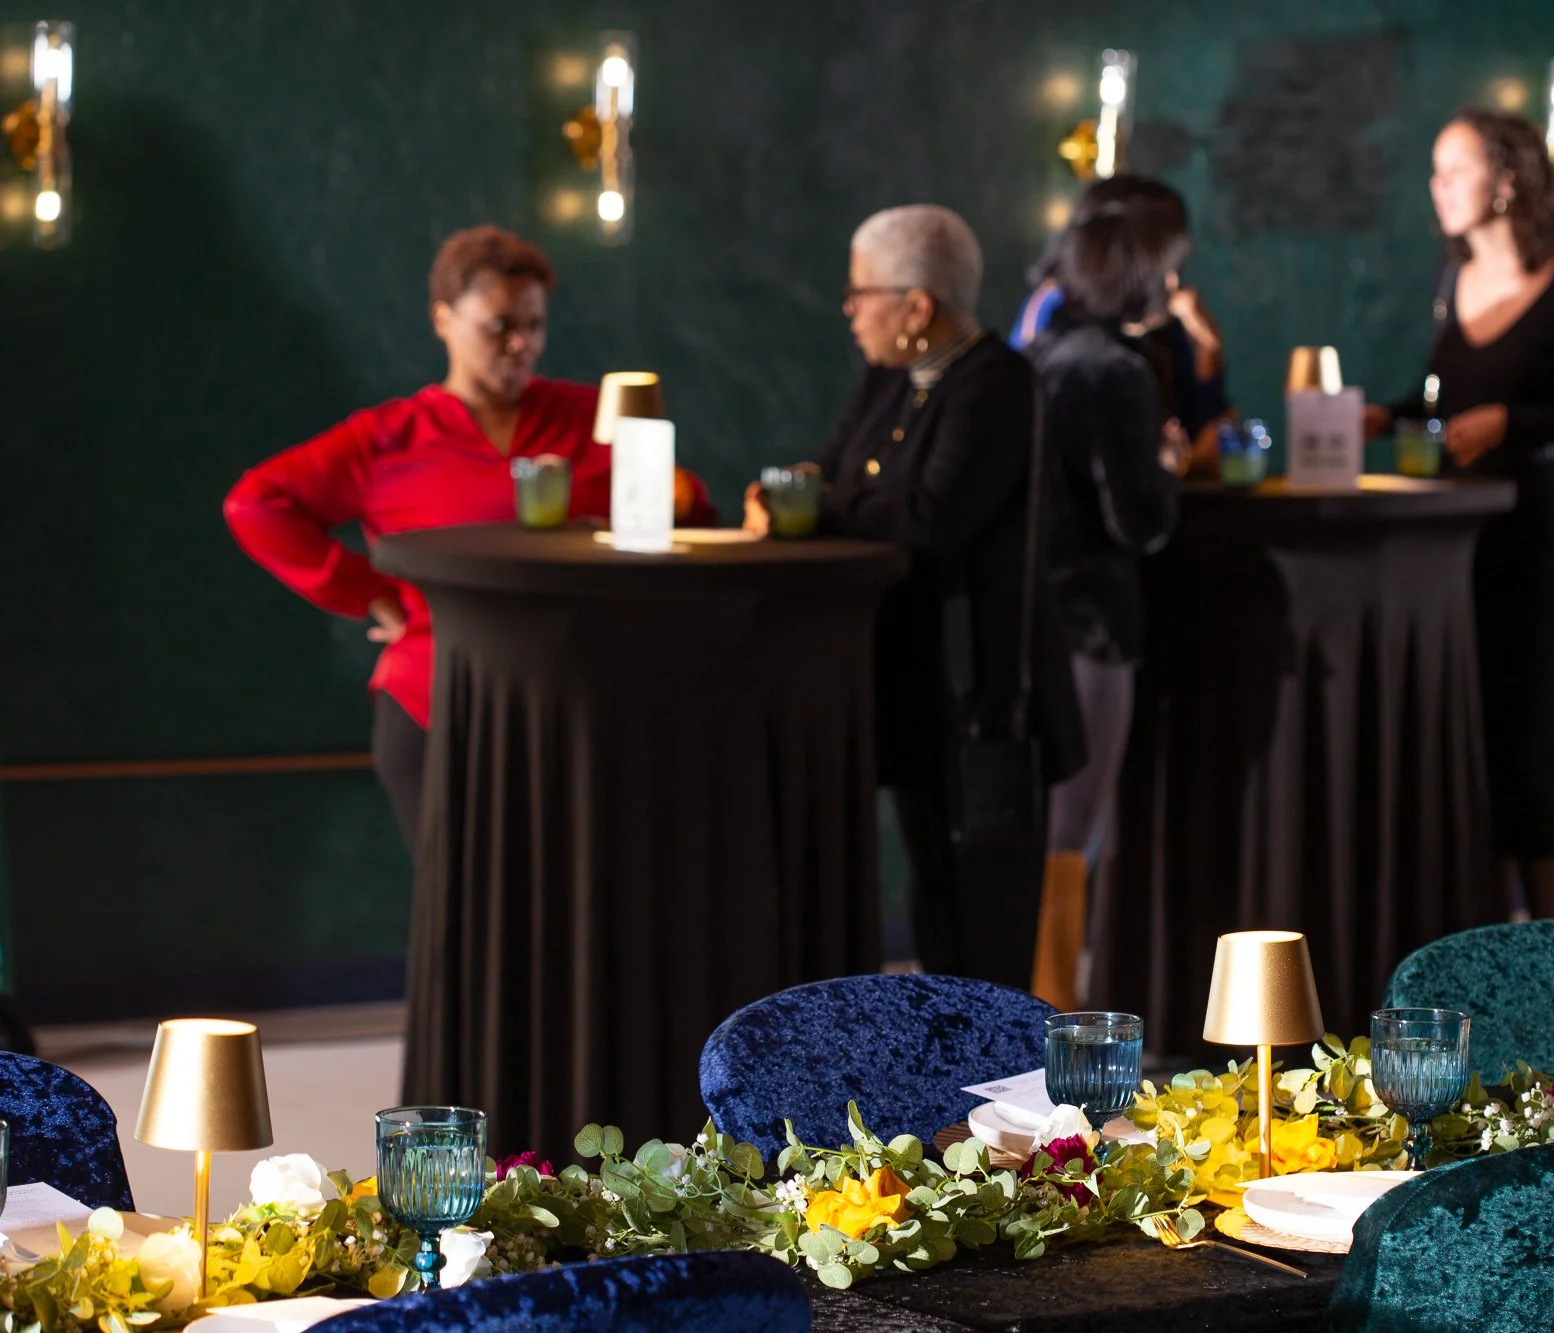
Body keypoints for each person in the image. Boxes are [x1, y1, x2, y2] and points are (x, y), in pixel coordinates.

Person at [224, 225, 715, 851]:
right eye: (499, 326)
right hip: (436, 704)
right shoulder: (388, 437)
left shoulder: (590, 415)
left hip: (583, 711)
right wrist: (368, 593)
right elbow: (255, 504)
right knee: (463, 914)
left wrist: (673, 496)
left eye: (534, 326)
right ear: (443, 319)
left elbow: (688, 512)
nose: (520, 345)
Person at [745, 204, 1085, 990]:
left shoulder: (997, 380)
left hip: (986, 702)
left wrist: (813, 506)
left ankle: (1003, 1102)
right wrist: (801, 497)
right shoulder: (888, 379)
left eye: (861, 292)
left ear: (917, 306)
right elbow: (827, 472)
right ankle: (944, 1102)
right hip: (916, 689)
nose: (850, 309)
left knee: (985, 920)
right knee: (936, 901)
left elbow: (933, 513)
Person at [1365, 110, 1554, 920]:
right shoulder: (1449, 282)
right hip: (1454, 545)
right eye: (1434, 171)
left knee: (1528, 749)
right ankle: (1484, 941)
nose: (1437, 187)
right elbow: (1439, 401)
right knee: (1471, 746)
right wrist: (1382, 416)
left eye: (1454, 169)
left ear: (1509, 180)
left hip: (1534, 540)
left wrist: (1514, 423)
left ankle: (1549, 940)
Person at [1025, 209, 1185, 1009]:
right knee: (1069, 835)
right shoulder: (1117, 370)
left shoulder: (1036, 355)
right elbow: (1140, 520)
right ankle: (1048, 1021)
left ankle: (1029, 1013)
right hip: (1093, 622)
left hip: (1032, 618)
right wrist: (1166, 462)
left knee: (1044, 828)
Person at [1011, 176, 1231, 470]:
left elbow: (1202, 433)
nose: (1173, 274)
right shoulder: (1053, 315)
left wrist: (1209, 346)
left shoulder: (1157, 318)